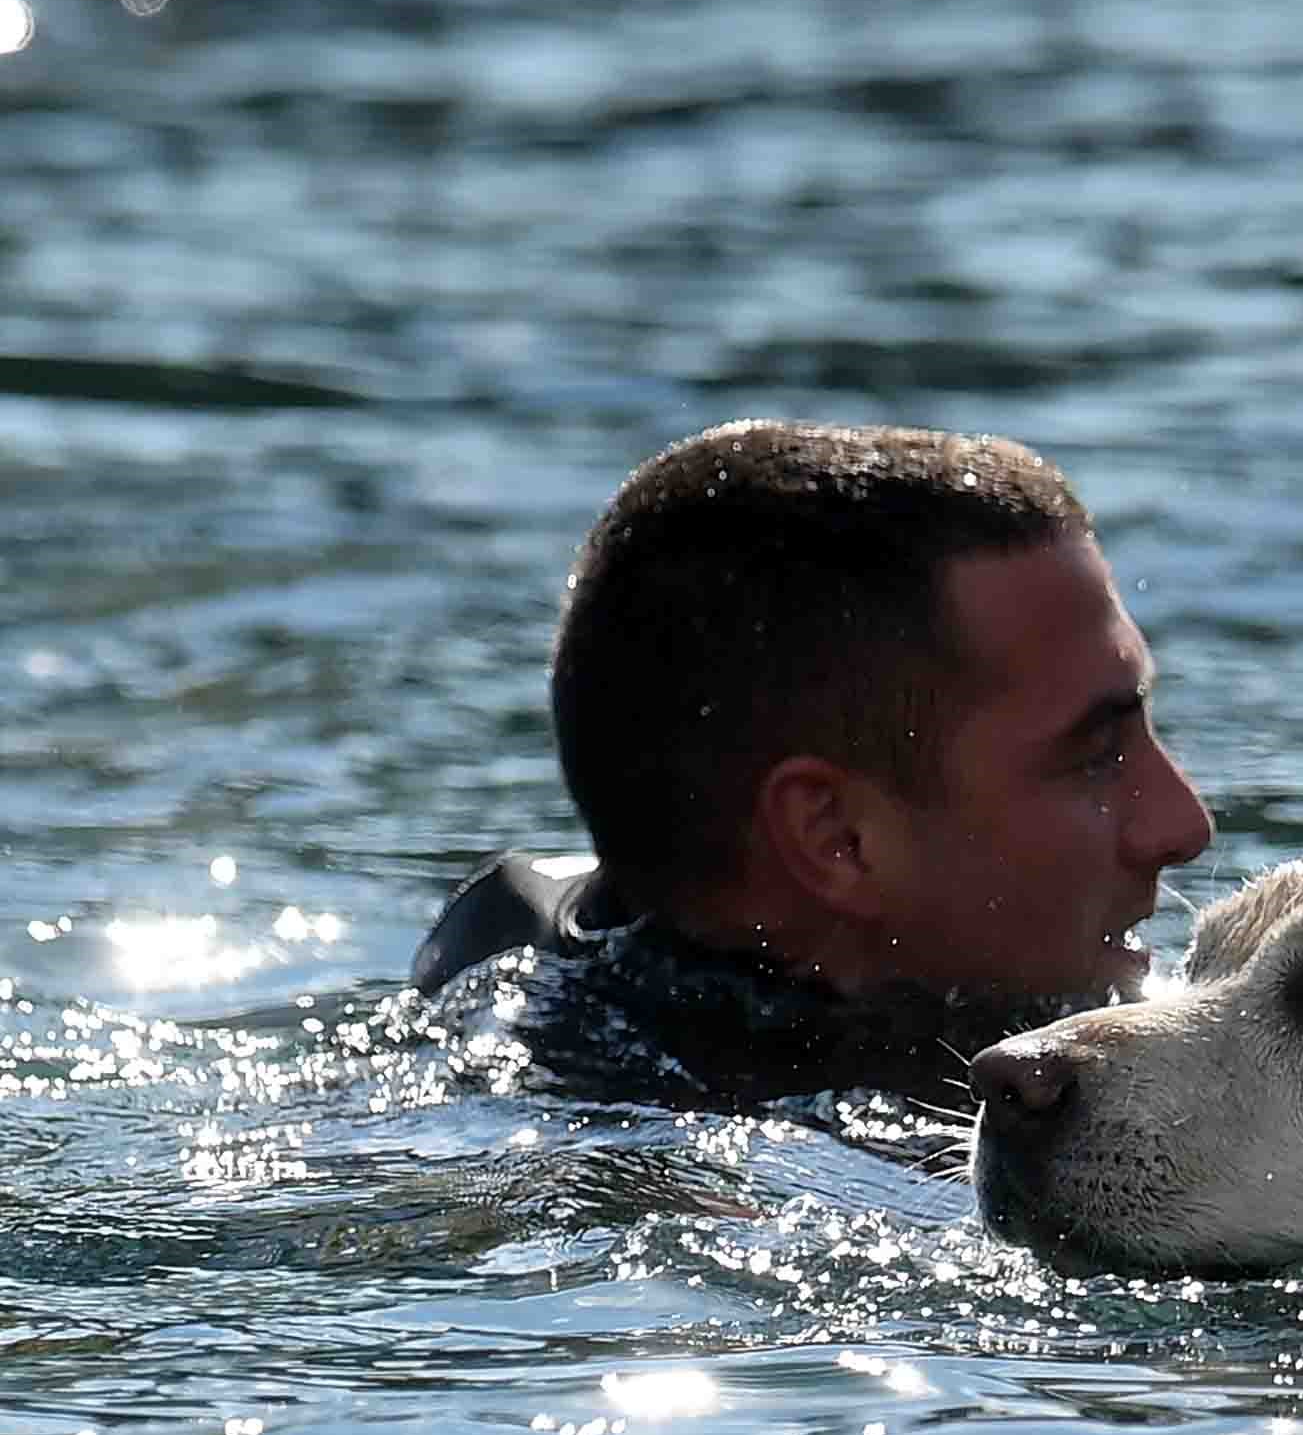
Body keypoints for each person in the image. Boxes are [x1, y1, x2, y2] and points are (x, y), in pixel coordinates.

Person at [411, 420, 1218, 1110]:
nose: (1184, 826)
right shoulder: (754, 1164)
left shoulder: (508, 985)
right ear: (836, 836)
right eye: (1095, 755)